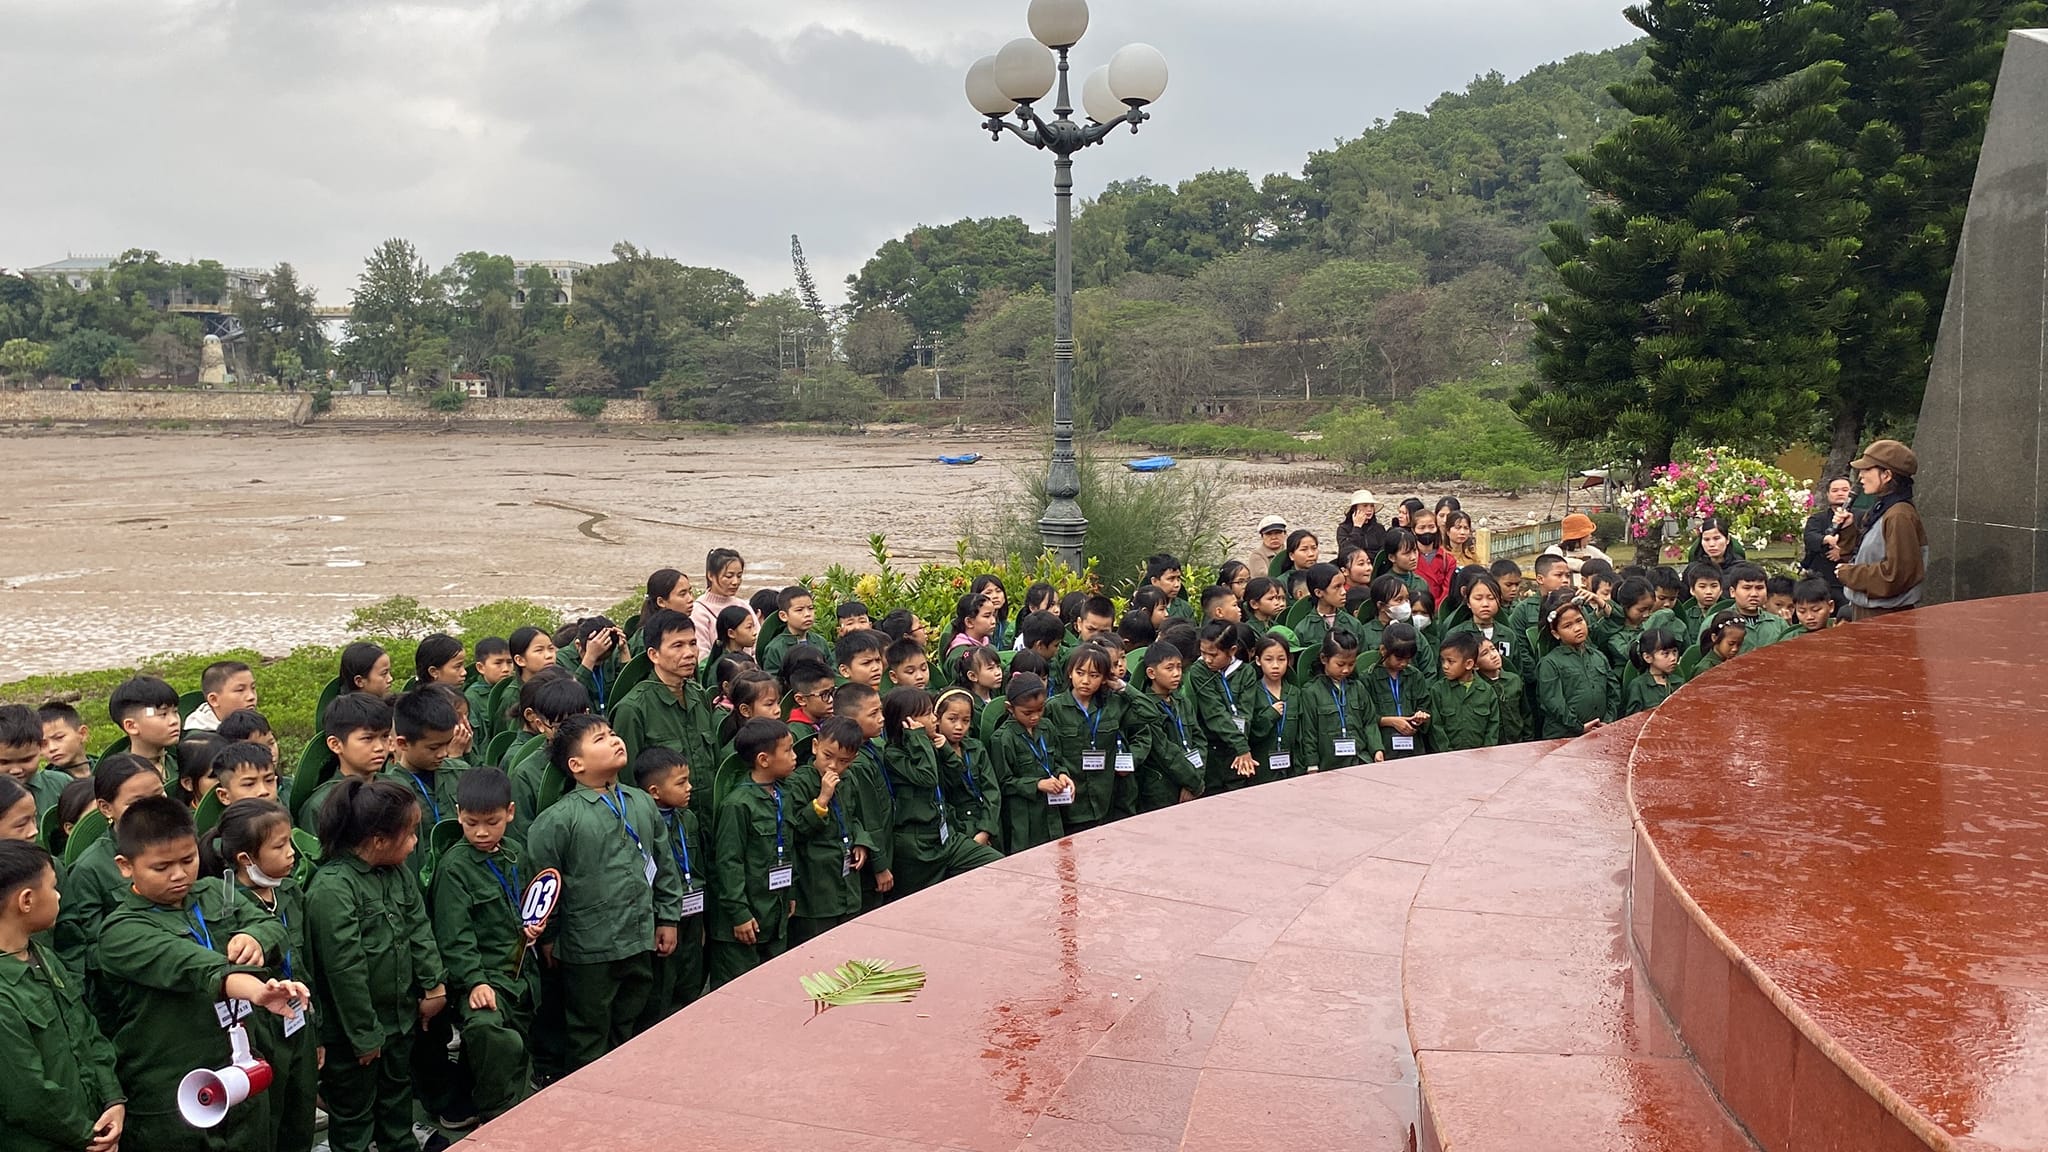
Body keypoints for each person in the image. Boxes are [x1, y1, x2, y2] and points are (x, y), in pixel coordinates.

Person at [98, 795, 308, 1152]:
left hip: (239, 1071)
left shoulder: (214, 892)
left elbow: (272, 926)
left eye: (188, 859)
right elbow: (194, 965)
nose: (179, 875)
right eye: (162, 867)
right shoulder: (121, 931)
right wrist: (257, 991)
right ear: (125, 866)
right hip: (172, 1089)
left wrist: (256, 937)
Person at [526, 714, 680, 1068]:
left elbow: (664, 864)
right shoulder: (559, 819)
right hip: (589, 947)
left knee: (632, 1018)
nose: (614, 741)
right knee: (588, 1029)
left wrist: (667, 918)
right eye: (600, 739)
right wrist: (549, 937)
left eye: (612, 733)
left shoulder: (641, 802)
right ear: (576, 765)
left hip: (639, 936)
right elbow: (544, 885)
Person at [306, 778, 446, 1152]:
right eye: (409, 834)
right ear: (379, 840)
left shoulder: (397, 873)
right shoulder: (333, 888)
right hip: (353, 1037)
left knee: (397, 1104)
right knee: (354, 1117)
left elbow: (419, 927)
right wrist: (365, 1036)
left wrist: (434, 985)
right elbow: (344, 971)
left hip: (398, 1020)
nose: (415, 842)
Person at [204, 798, 319, 1152]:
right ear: (245, 859)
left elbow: (308, 964)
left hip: (299, 1018)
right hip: (259, 1029)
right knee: (266, 1118)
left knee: (301, 1111)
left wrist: (319, 1031)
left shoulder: (290, 891)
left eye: (290, 842)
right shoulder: (225, 906)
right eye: (279, 846)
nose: (291, 853)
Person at [428, 768, 541, 1126]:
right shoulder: (455, 867)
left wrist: (535, 927)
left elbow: (528, 904)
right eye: (471, 822)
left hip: (520, 972)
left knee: (517, 1045)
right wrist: (475, 981)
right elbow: (454, 937)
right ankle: (497, 1115)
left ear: (510, 812)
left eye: (491, 822)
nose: (481, 832)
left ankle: (480, 1101)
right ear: (458, 814)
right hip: (483, 977)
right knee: (490, 1032)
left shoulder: (515, 853)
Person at [0, 838, 126, 1152]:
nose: (58, 896)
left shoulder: (41, 956)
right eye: (53, 887)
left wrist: (112, 1098)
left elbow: (85, 1028)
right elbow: (28, 1094)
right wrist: (89, 1136)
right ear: (26, 900)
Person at [54, 755, 168, 1018]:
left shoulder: (182, 841)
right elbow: (89, 948)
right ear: (106, 808)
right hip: (132, 993)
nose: (154, 809)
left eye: (159, 795)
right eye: (137, 803)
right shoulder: (90, 869)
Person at [880, 689, 1002, 896]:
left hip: (944, 836)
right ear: (908, 722)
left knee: (998, 864)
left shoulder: (931, 747)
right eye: (928, 714)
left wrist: (944, 749)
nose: (934, 719)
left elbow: (957, 776)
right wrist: (917, 738)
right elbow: (927, 777)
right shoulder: (894, 755)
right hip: (917, 846)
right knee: (918, 903)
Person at [708, 717, 798, 988]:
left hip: (774, 912)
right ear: (763, 759)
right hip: (744, 920)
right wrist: (739, 913)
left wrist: (790, 893)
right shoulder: (738, 804)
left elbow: (788, 849)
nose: (794, 756)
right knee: (739, 989)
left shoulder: (783, 794)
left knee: (773, 987)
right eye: (788, 750)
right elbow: (729, 862)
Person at [610, 609, 718, 820]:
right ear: (654, 654)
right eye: (678, 646)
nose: (689, 653)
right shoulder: (633, 709)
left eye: (693, 643)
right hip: (664, 825)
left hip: (706, 821)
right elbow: (628, 782)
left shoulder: (698, 695)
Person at [784, 716, 873, 946]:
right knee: (817, 945)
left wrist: (861, 841)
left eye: (843, 761)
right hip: (815, 885)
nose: (833, 766)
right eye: (827, 756)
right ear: (815, 746)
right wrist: (822, 800)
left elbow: (853, 817)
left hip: (846, 881)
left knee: (848, 944)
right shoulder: (799, 782)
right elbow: (796, 830)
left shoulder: (849, 778)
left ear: (853, 759)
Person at [1045, 644, 1141, 831]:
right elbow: (1048, 749)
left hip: (1107, 798)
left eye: (1094, 675)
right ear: (1070, 673)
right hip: (1071, 802)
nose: (1085, 681)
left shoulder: (1114, 704)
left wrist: (1124, 688)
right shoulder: (1054, 708)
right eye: (1080, 673)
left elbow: (1151, 714)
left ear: (1105, 678)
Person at [1833, 439, 1927, 621]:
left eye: (1867, 469)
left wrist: (1849, 574)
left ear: (1887, 475)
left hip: (1886, 616)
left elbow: (1897, 574)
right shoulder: (1884, 509)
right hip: (1871, 612)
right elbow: (1867, 556)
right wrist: (1848, 530)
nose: (1860, 476)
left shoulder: (1899, 515)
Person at [993, 673, 1070, 851]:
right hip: (1023, 819)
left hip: (1051, 812)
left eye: (1040, 709)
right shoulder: (1003, 739)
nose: (1035, 717)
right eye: (1027, 713)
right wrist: (1037, 784)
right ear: (1010, 708)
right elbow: (1004, 783)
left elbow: (1058, 761)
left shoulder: (1047, 727)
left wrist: (1063, 774)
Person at [294, 692, 395, 829]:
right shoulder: (322, 804)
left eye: (385, 736)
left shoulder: (397, 787)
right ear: (335, 744)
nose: (380, 747)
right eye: (367, 738)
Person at [1187, 622, 1259, 792]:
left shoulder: (1246, 672)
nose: (1207, 659)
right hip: (1212, 750)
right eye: (1203, 653)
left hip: (1236, 750)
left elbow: (1245, 713)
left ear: (1232, 650)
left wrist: (1241, 748)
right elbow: (1214, 713)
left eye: (1213, 654)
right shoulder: (1199, 671)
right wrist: (1242, 747)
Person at [1295, 632, 1381, 770]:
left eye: (1351, 664)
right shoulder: (1311, 692)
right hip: (1329, 765)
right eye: (1340, 664)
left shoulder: (1357, 688)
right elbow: (1308, 733)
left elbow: (1369, 722)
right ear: (1324, 659)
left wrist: (1377, 749)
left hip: (1360, 760)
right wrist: (1312, 765)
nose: (1346, 670)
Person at [1535, 591, 1617, 738]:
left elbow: (1613, 692)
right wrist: (1579, 727)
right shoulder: (1550, 663)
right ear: (1556, 633)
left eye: (1579, 621)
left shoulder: (1598, 657)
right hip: (1564, 736)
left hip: (1600, 732)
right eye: (1568, 626)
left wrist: (1608, 721)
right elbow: (1553, 703)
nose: (1577, 628)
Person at [1364, 623, 1434, 759]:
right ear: (1383, 650)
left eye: (1408, 659)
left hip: (1413, 748)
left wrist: (1420, 716)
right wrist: (1391, 721)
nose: (1404, 663)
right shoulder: (1368, 678)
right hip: (1384, 746)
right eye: (1399, 658)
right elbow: (1365, 718)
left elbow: (1425, 705)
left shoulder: (1415, 676)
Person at [1429, 631, 1500, 752]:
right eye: (1443, 661)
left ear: (1468, 664)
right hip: (1448, 758)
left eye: (1450, 661)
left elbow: (1493, 728)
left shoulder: (1487, 692)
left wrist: (1486, 752)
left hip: (1481, 758)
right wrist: (1448, 754)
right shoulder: (1438, 690)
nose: (1445, 666)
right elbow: (1436, 727)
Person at [108, 675, 182, 784]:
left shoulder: (186, 761)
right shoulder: (119, 777)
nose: (174, 721)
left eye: (175, 712)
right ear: (131, 726)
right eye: (163, 714)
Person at [1802, 476, 1855, 603]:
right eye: (1835, 490)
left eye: (1845, 490)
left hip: (1851, 579)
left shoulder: (1862, 516)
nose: (1840, 493)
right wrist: (1826, 539)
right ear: (1828, 494)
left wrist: (1843, 551)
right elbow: (1809, 537)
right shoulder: (1817, 518)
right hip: (1822, 577)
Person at [692, 548, 752, 653]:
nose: (735, 582)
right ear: (711, 576)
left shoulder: (743, 606)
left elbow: (758, 645)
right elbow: (702, 654)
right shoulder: (699, 611)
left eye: (739, 576)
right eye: (729, 576)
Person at [760, 587, 826, 676]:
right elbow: (773, 679)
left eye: (810, 608)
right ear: (783, 616)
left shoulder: (820, 642)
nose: (807, 614)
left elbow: (832, 671)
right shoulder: (775, 648)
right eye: (799, 610)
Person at [183, 660, 257, 734]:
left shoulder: (254, 727)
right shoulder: (200, 738)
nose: (251, 696)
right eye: (240, 690)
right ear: (214, 700)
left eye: (253, 688)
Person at [1622, 630, 1684, 717]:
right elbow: (1632, 720)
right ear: (1648, 657)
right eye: (1666, 653)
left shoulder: (1679, 682)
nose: (1673, 658)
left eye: (1674, 651)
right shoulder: (1638, 686)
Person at [1542, 513, 1612, 579]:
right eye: (1587, 534)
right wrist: (1584, 566)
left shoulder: (1590, 550)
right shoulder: (1554, 550)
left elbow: (1608, 562)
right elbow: (1554, 563)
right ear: (1578, 537)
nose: (1590, 536)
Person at [1336, 490, 1389, 562]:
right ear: (1354, 508)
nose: (1369, 509)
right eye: (1365, 506)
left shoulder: (1379, 528)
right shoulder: (1343, 529)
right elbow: (1346, 551)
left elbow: (1383, 552)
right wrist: (1357, 527)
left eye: (1371, 506)